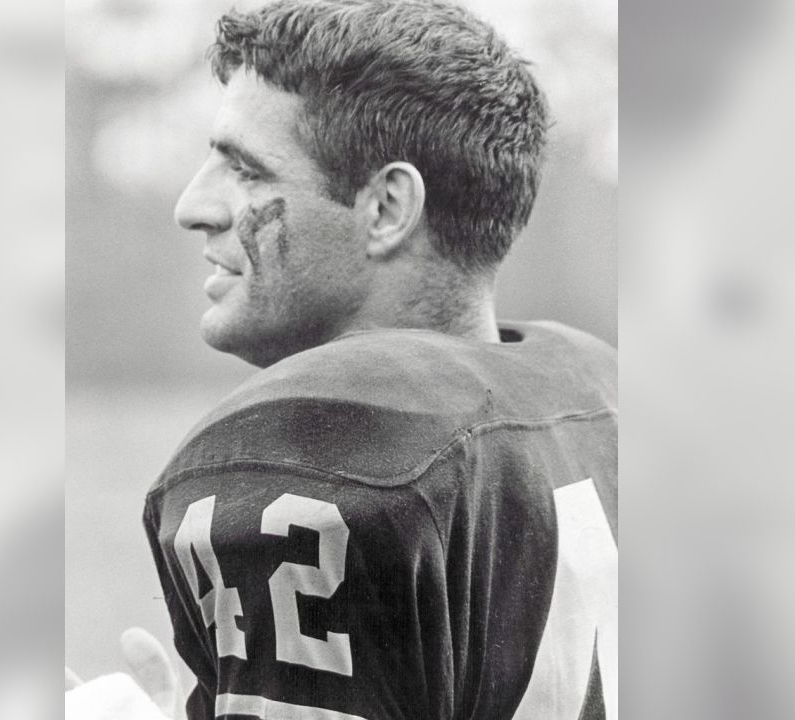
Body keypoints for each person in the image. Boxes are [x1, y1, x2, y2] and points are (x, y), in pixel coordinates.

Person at [143, 1, 617, 718]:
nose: (193, 206)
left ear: (388, 207)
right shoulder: (603, 397)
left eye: (244, 168)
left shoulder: (316, 446)